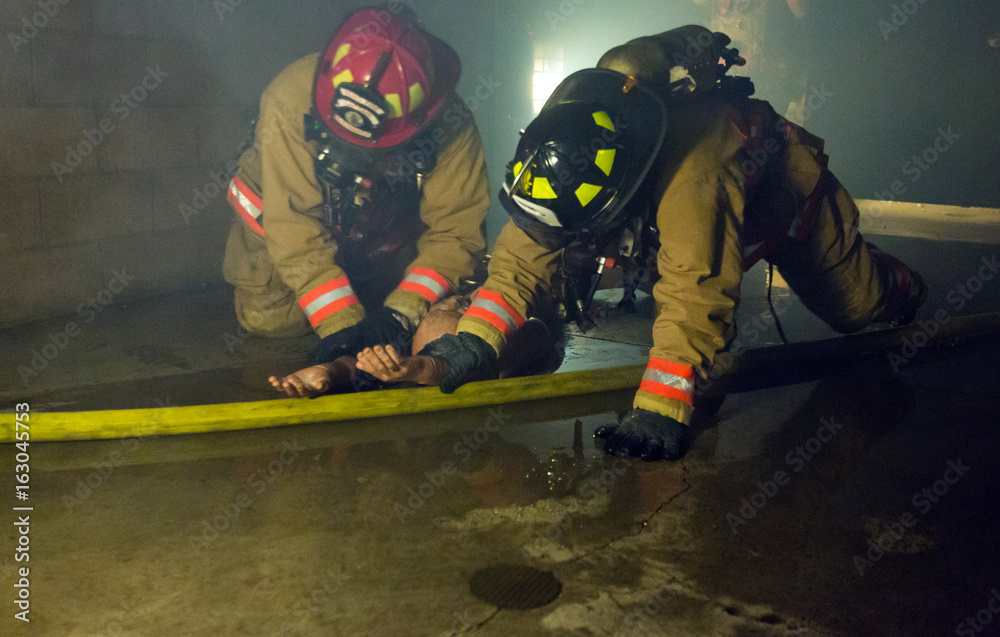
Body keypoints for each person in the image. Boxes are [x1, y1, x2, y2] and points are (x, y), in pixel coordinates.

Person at [417, 25, 927, 462]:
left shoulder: (695, 175)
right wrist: (476, 339)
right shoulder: (567, 135)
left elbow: (697, 290)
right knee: (690, 383)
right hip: (671, 223)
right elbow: (525, 254)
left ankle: (906, 286)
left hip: (786, 207)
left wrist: (661, 406)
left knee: (858, 307)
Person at [222, 5, 490, 367]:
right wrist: (340, 324)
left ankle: (378, 294)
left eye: (372, 154)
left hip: (380, 228)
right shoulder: (288, 97)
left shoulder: (451, 124)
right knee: (270, 320)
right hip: (285, 228)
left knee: (417, 316)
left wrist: (401, 313)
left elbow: (456, 231)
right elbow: (293, 221)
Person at [269, 293, 559, 397]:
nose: (455, 301)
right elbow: (376, 364)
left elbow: (374, 366)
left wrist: (331, 371)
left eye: (459, 308)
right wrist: (333, 369)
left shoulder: (491, 350)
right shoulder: (507, 310)